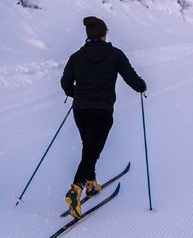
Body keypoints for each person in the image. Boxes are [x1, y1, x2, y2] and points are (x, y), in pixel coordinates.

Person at [59, 16, 146, 218]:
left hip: (80, 110)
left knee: (89, 147)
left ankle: (91, 184)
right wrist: (141, 86)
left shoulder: (76, 57)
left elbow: (65, 83)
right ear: (104, 34)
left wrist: (77, 94)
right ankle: (76, 188)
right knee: (92, 150)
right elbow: (131, 77)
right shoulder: (114, 54)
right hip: (102, 110)